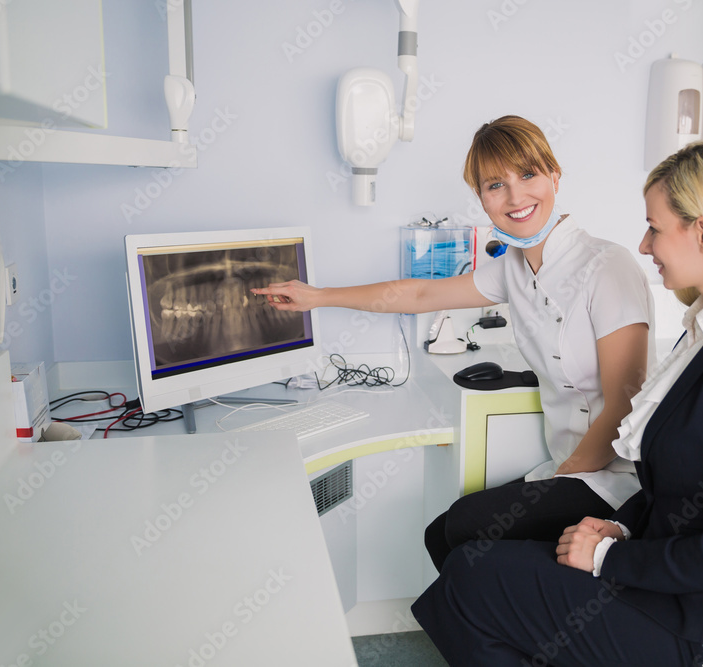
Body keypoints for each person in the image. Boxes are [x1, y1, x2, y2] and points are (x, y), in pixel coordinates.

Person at [410, 140, 703, 667]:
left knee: (474, 580)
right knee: (474, 563)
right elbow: (679, 486)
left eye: (655, 228)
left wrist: (610, 557)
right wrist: (618, 527)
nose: (644, 245)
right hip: (670, 583)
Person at [252, 115, 655, 572]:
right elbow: (420, 294)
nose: (516, 196)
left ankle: (527, 623)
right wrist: (319, 297)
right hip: (571, 466)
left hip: (617, 476)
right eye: (494, 185)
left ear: (554, 177)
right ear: (482, 199)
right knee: (439, 535)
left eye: (528, 175)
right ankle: (505, 629)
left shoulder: (608, 266)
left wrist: (560, 480)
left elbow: (625, 404)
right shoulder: (514, 270)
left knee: (463, 529)